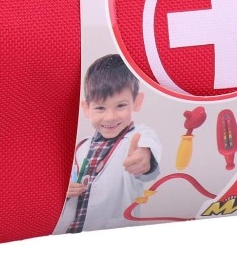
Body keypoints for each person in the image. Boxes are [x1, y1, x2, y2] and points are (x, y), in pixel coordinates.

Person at [61, 54, 162, 233]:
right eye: (100, 108)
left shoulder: (138, 137)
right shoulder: (81, 147)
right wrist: (65, 190)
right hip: (74, 230)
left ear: (137, 102)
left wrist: (145, 158)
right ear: (86, 108)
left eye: (120, 106)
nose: (110, 117)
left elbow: (148, 158)